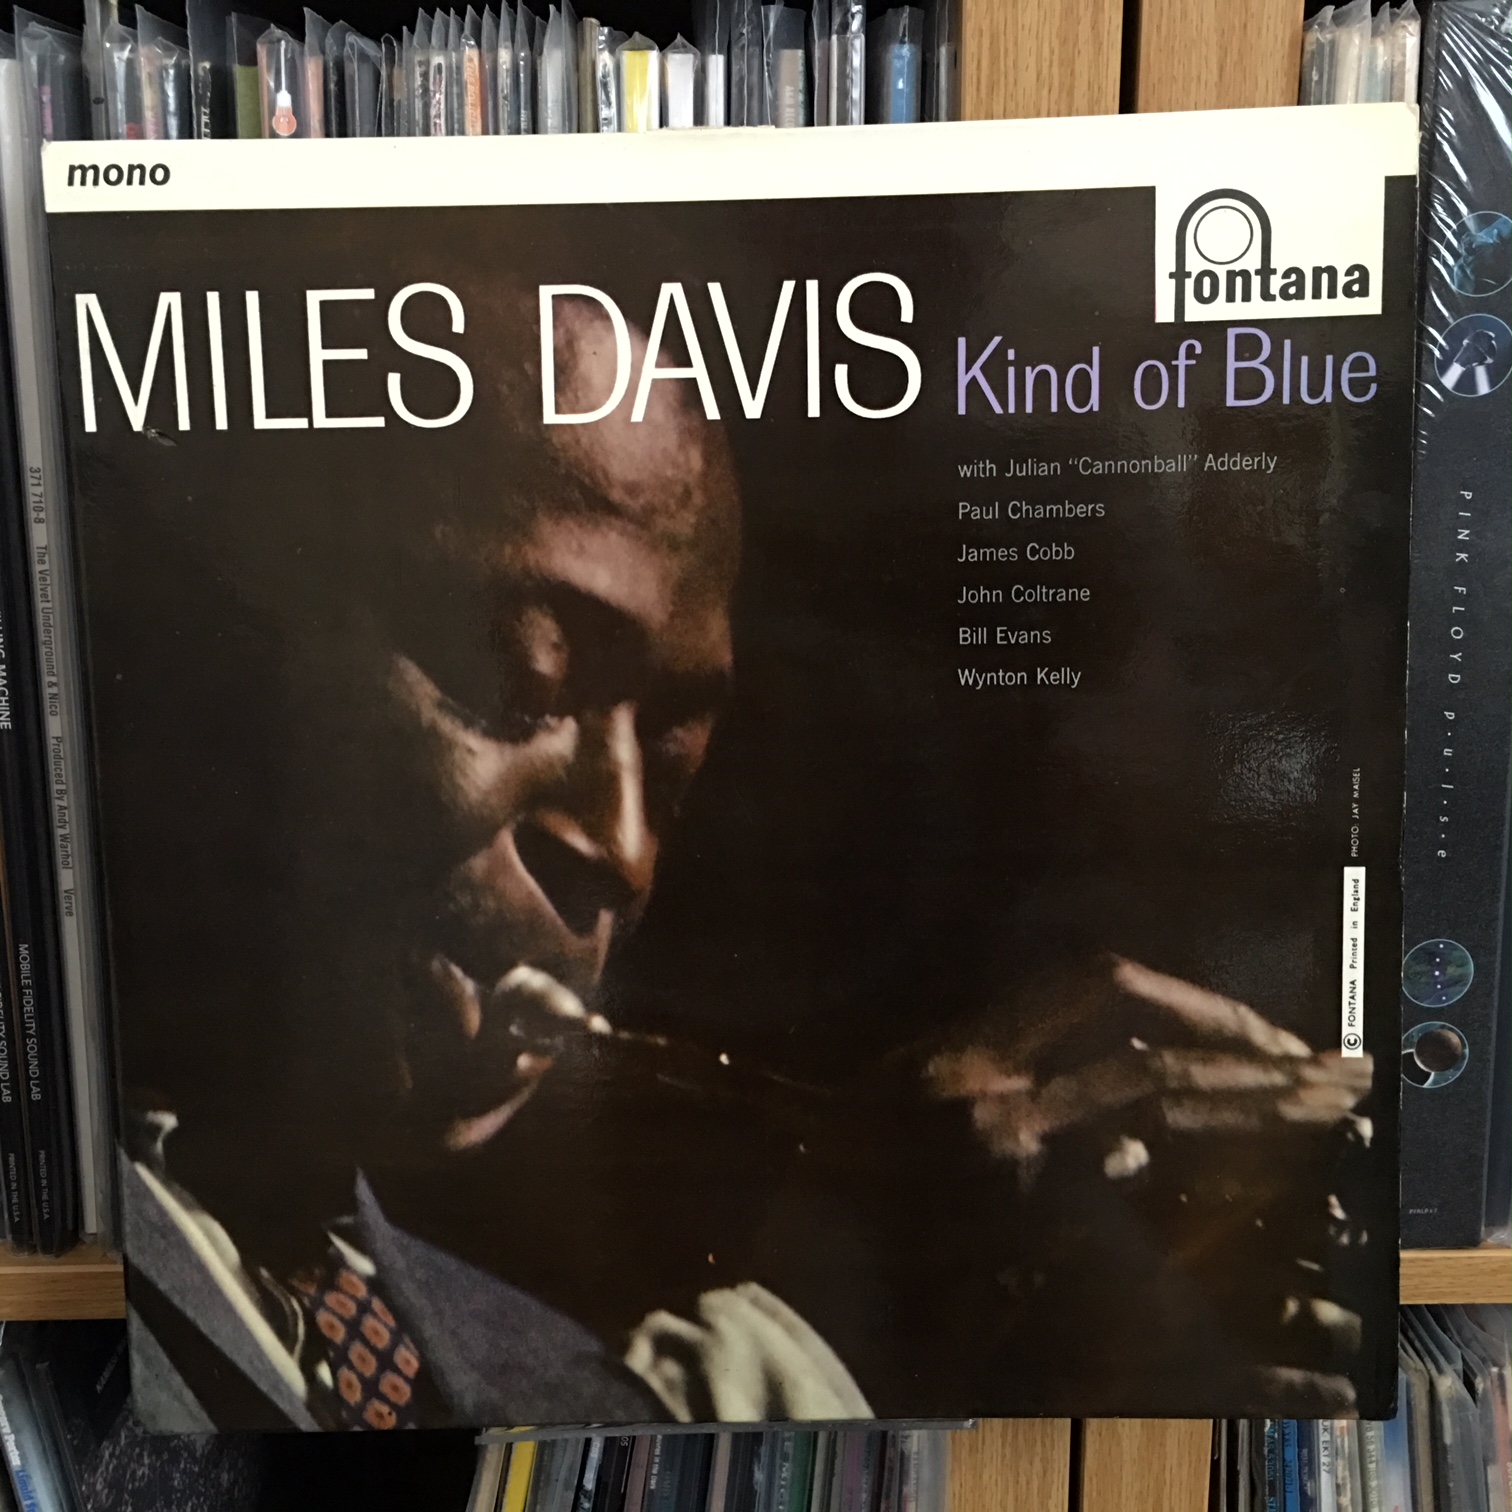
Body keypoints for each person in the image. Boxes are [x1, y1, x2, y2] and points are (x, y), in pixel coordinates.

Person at [120, 292, 1373, 1431]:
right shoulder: (72, 1279)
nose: (625, 856)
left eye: (672, 773)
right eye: (523, 678)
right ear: (215, 620)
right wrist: (849, 1311)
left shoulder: (526, 1364)